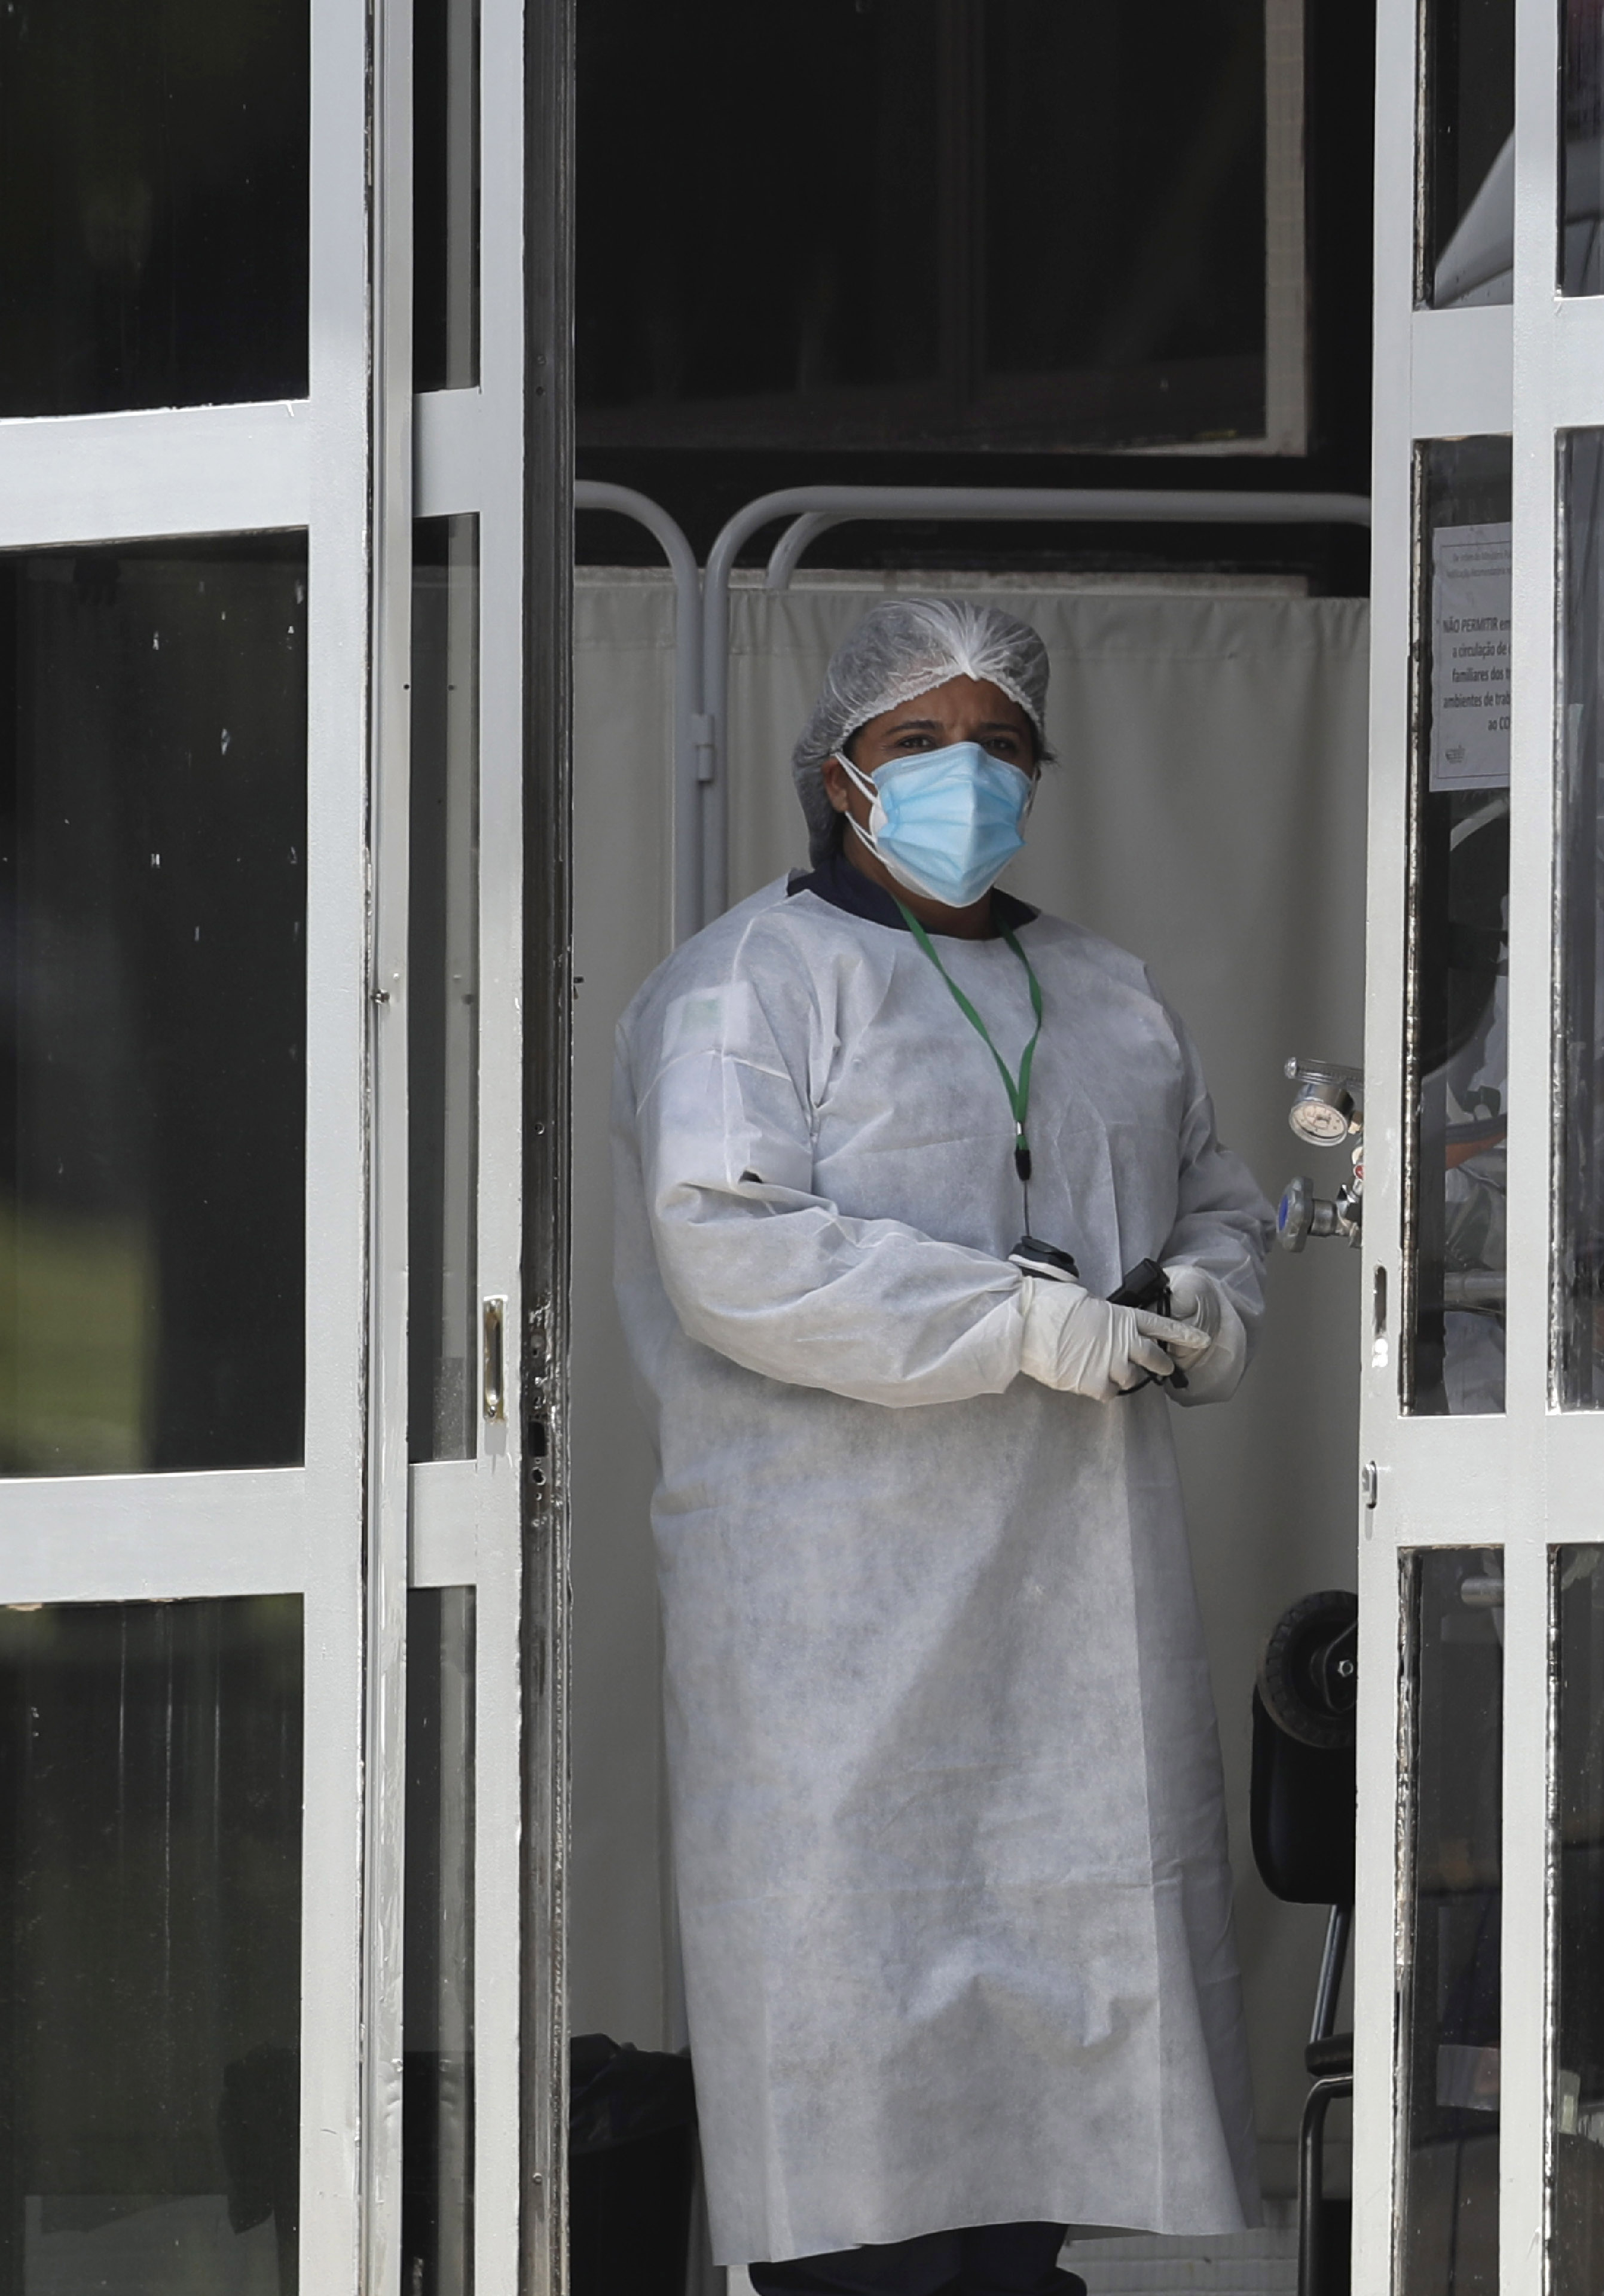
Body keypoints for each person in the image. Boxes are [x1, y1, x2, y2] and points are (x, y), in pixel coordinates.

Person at [614, 597, 1269, 2296]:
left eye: (1000, 744)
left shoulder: (1107, 993)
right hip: (837, 1653)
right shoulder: (748, 987)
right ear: (841, 771)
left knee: (1027, 2144)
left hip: (1066, 1627)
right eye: (922, 742)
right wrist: (1017, 1322)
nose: (964, 774)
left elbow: (1222, 1200)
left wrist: (1201, 1297)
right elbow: (732, 1251)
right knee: (858, 2152)